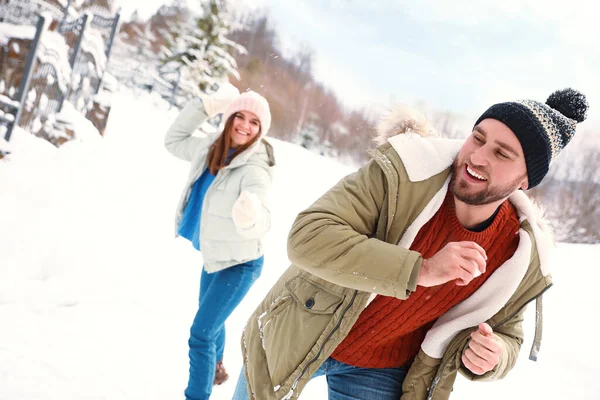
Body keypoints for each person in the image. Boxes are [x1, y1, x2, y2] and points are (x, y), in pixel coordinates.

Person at [232, 88, 589, 400]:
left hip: (382, 371)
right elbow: (309, 236)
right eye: (477, 138)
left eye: (502, 153)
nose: (478, 157)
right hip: (299, 330)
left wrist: (495, 357)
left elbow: (509, 333)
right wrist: (422, 269)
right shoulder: (405, 173)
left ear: (526, 179)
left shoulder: (518, 253)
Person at [164, 82, 275, 400]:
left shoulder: (255, 167)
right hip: (215, 254)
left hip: (241, 263)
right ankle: (215, 367)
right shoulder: (210, 150)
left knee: (201, 333)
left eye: (255, 122)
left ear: (260, 130)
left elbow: (263, 216)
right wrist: (206, 105)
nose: (245, 126)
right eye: (240, 116)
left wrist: (251, 216)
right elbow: (173, 141)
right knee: (211, 318)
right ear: (229, 118)